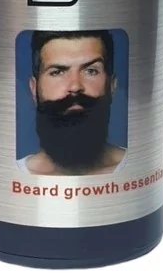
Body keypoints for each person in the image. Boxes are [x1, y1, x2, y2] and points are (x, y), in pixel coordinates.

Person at [17, 29, 127, 176]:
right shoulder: (13, 175)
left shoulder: (136, 167)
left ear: (112, 86)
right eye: (57, 72)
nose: (75, 86)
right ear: (33, 89)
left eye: (91, 71)